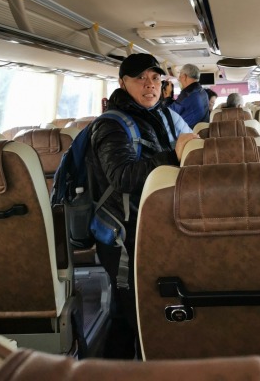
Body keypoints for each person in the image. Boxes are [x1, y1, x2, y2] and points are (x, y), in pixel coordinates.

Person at [86, 53, 197, 359]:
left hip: (150, 225)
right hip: (124, 234)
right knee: (134, 314)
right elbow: (122, 177)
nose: (149, 84)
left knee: (137, 311)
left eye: (155, 78)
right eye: (140, 78)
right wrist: (173, 155)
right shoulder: (111, 126)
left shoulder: (159, 115)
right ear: (123, 83)